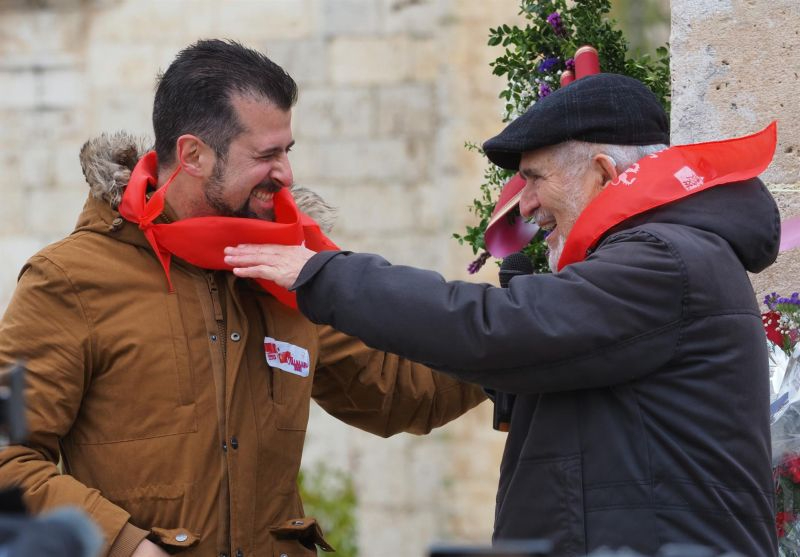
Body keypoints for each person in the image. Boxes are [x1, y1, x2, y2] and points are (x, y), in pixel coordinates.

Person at [224, 74, 781, 556]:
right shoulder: (670, 254)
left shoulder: (666, 260)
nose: (526, 204)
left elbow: (499, 330)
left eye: (535, 179)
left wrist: (321, 273)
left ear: (606, 174)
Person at [0, 39, 486, 557]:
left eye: (287, 151)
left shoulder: (289, 270)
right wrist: (127, 547)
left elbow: (400, 395)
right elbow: (8, 460)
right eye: (266, 154)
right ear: (193, 155)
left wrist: (526, 327)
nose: (287, 174)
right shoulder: (70, 278)